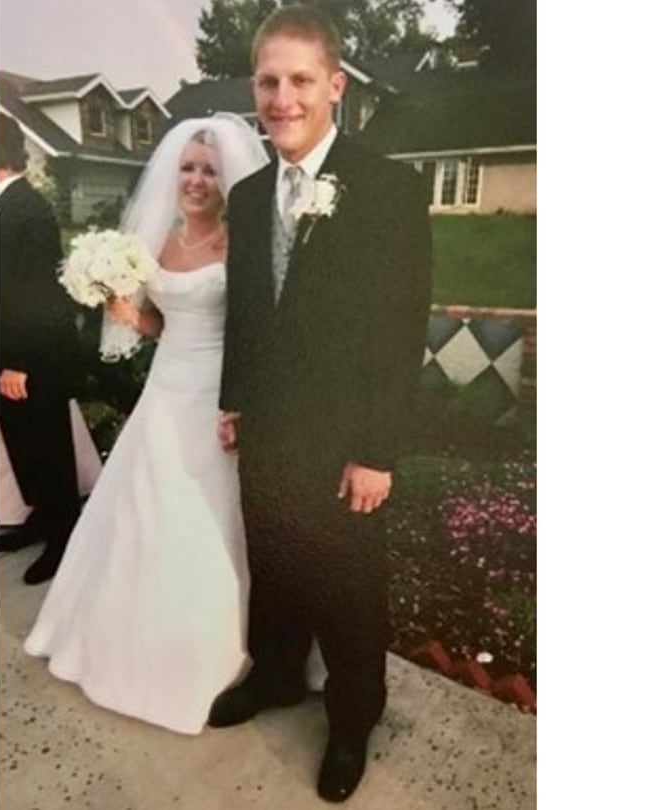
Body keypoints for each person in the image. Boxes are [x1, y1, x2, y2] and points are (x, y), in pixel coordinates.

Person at [24, 114, 315, 735]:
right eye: (187, 167)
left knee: (210, 517)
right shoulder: (152, 245)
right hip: (165, 391)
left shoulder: (243, 244)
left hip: (219, 395)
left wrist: (243, 404)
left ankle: (219, 653)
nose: (197, 180)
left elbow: (258, 332)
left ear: (229, 177)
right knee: (141, 509)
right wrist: (124, 310)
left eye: (210, 169)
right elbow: (161, 325)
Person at [208, 6, 434, 803]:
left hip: (346, 439)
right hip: (268, 426)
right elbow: (248, 308)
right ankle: (273, 676)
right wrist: (236, 400)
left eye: (300, 79)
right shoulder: (245, 194)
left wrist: (377, 450)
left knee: (346, 583)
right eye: (268, 81)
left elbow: (401, 327)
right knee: (274, 565)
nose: (282, 97)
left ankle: (350, 718)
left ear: (334, 85)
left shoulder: (387, 189)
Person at [0, 111, 83, 583]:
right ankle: (42, 519)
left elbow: (34, 294)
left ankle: (64, 532)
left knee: (46, 445)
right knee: (23, 444)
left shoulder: (24, 209)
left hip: (31, 356)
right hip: (6, 352)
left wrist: (16, 362)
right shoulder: (2, 206)